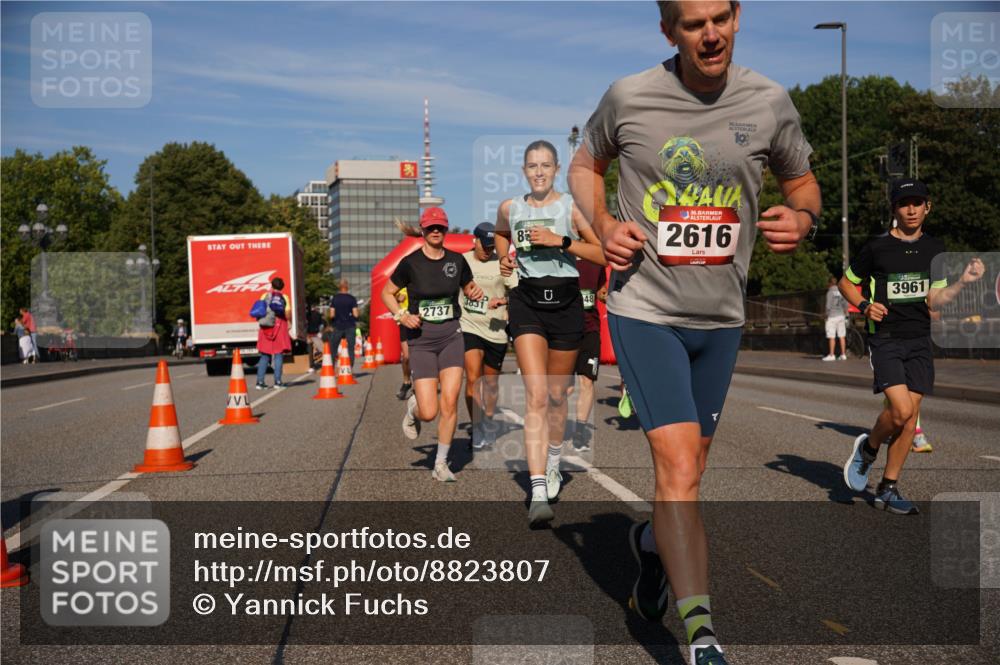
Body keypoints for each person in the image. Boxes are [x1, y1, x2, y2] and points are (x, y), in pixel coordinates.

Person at [568, 2, 821, 662]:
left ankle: (650, 551)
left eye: (720, 18)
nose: (709, 34)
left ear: (738, 17)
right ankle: (702, 635)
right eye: (692, 23)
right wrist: (602, 225)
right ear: (668, 31)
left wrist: (802, 217)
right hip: (644, 308)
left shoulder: (768, 101)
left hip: (722, 317)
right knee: (676, 465)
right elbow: (582, 167)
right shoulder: (630, 96)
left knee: (692, 472)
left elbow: (805, 184)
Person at [840, 178, 983, 514]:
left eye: (917, 202)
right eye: (905, 203)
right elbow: (847, 283)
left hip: (919, 338)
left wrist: (963, 282)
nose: (911, 209)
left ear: (927, 207)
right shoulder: (877, 248)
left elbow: (935, 298)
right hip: (886, 338)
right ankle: (869, 450)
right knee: (901, 411)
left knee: (909, 419)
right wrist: (864, 306)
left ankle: (888, 488)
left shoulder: (935, 249)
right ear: (895, 209)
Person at [495, 139, 606, 526]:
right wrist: (504, 262)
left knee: (559, 395)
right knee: (537, 394)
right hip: (527, 304)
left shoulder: (571, 209)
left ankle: (554, 460)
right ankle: (537, 488)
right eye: (531, 166)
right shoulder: (511, 208)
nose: (538, 172)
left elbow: (602, 253)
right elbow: (501, 236)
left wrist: (560, 241)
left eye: (545, 165)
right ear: (523, 170)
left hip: (566, 306)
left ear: (556, 168)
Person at [381, 207, 483, 482]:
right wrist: (402, 315)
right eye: (431, 228)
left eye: (440, 227)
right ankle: (413, 407)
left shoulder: (457, 261)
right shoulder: (410, 263)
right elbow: (387, 292)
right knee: (429, 412)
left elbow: (468, 287)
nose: (435, 231)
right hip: (422, 341)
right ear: (423, 231)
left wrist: (473, 291)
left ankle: (440, 463)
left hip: (451, 337)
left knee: (450, 402)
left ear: (446, 229)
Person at [461, 222, 518, 450]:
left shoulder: (502, 263)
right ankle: (476, 428)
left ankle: (487, 422)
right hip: (469, 325)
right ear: (473, 241)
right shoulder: (462, 261)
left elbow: (517, 293)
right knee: (473, 380)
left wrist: (503, 301)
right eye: (484, 245)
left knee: (491, 384)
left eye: (491, 246)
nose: (487, 250)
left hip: (495, 329)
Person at [567, 258, 607, 452]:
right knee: (563, 389)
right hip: (564, 330)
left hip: (590, 330)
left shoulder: (596, 259)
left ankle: (580, 432)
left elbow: (601, 292)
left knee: (587, 381)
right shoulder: (561, 255)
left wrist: (609, 296)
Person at [255, 277, 292, 390]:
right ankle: (278, 381)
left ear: (271, 285)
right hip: (279, 327)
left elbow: (259, 311)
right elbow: (288, 314)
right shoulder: (284, 297)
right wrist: (289, 322)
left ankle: (260, 382)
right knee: (278, 354)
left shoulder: (264, 296)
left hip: (266, 327)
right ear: (282, 287)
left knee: (265, 354)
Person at [328, 280, 360, 367]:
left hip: (337, 326)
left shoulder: (335, 299)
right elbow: (356, 314)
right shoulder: (352, 299)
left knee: (333, 347)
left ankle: (331, 367)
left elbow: (331, 314)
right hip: (350, 326)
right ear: (347, 287)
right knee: (350, 348)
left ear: (339, 287)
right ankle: (349, 368)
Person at [822, 275, 850, 360]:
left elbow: (828, 306)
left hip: (832, 317)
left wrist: (825, 315)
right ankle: (843, 354)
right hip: (841, 315)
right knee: (842, 336)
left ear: (830, 283)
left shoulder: (830, 292)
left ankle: (831, 355)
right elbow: (846, 304)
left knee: (832, 336)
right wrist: (846, 314)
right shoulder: (841, 291)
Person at [396, 288, 414, 400]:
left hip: (420, 317)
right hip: (405, 319)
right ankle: (406, 381)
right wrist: (398, 298)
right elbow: (393, 296)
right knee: (407, 356)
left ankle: (421, 383)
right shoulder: (401, 280)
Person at [306, 303, 325, 371]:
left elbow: (305, 324)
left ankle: (311, 366)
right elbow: (322, 325)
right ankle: (326, 362)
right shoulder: (318, 315)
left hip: (308, 335)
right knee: (322, 349)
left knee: (310, 350)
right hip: (316, 335)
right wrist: (320, 332)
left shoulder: (306, 314)